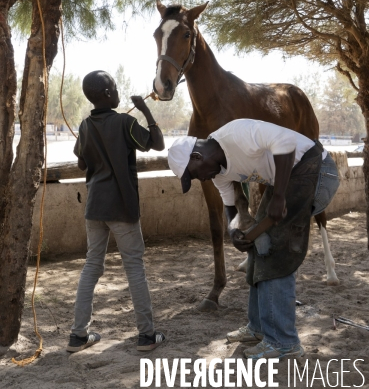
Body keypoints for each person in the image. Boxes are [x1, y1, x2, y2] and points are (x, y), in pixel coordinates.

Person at [168, 119, 339, 362]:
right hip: (284, 178)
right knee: (260, 247)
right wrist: (234, 232)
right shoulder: (218, 173)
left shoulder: (236, 134)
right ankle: (258, 328)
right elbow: (231, 209)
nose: (201, 180)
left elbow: (286, 142)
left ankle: (284, 342)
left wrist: (279, 197)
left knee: (277, 253)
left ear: (196, 156)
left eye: (195, 175)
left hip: (314, 169)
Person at [67, 70, 166, 353]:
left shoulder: (86, 125)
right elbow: (157, 144)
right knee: (134, 267)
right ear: (109, 94)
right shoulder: (125, 122)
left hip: (94, 207)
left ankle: (77, 336)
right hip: (121, 206)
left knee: (91, 266)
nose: (118, 90)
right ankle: (147, 336)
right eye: (115, 87)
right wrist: (146, 109)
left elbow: (82, 165)